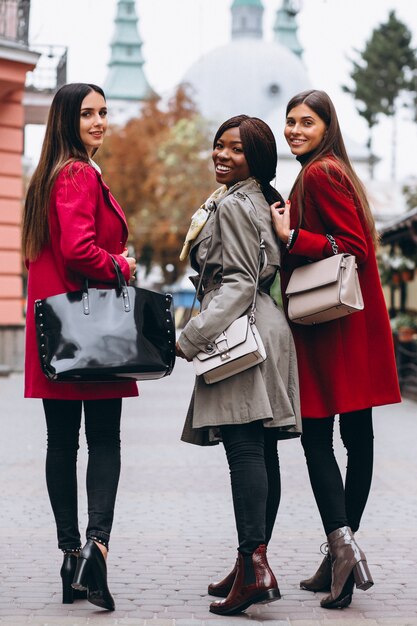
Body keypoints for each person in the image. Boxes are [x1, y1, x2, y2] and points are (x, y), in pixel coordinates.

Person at [271, 89, 401, 610]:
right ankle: (338, 553)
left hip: (332, 325)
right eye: (290, 121)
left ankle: (341, 552)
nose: (296, 130)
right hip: (352, 322)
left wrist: (291, 235)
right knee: (357, 437)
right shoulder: (330, 170)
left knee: (319, 436)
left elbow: (353, 246)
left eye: (307, 122)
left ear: (328, 126)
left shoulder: (321, 174)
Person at [176, 115, 301, 616]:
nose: (222, 155)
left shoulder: (231, 205)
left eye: (236, 150)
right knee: (262, 451)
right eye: (218, 146)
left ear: (257, 158)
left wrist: (190, 337)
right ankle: (251, 559)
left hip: (241, 335)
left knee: (245, 451)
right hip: (267, 328)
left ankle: (254, 569)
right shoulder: (259, 200)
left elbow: (238, 283)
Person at [22, 83, 138, 611]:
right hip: (91, 329)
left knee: (62, 443)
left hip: (61, 330)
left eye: (104, 112)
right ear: (67, 120)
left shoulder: (50, 175)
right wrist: (122, 265)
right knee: (104, 441)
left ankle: (72, 557)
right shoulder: (77, 173)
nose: (98, 121)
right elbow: (78, 249)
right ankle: (95, 549)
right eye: (87, 113)